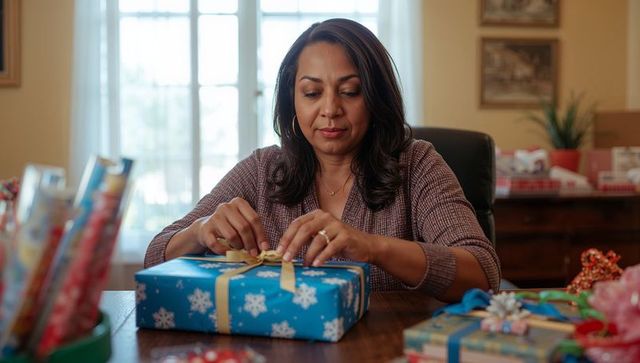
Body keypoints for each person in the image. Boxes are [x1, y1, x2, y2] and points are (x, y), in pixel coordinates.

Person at [145, 18, 500, 301]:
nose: (330, 109)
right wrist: (201, 229)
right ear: (293, 101)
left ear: (375, 98)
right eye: (312, 93)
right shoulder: (262, 170)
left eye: (350, 92)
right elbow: (156, 255)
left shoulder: (417, 164)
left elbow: (483, 273)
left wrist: (372, 247)